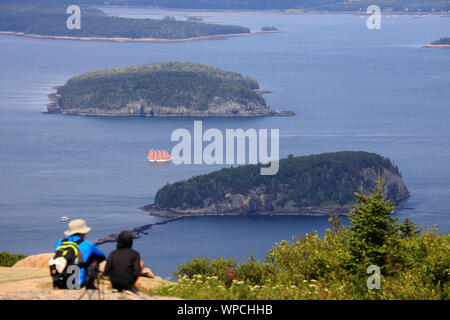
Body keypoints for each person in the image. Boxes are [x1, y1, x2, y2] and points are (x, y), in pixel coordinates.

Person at [52, 219, 106, 290]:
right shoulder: (87, 245)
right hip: (76, 284)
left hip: (58, 281)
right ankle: (90, 285)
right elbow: (102, 257)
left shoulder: (59, 243)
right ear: (82, 233)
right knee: (93, 260)